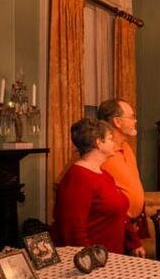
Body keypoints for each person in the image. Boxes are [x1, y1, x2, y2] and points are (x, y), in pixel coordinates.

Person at [53, 118, 129, 253]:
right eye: (110, 138)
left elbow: (120, 212)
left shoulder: (105, 175)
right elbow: (74, 229)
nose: (114, 143)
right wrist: (90, 258)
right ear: (99, 143)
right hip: (93, 259)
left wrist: (133, 242)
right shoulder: (78, 177)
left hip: (112, 255)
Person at [96, 98, 146, 256]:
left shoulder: (127, 147)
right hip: (112, 228)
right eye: (131, 117)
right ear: (117, 121)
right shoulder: (99, 152)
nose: (135, 121)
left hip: (131, 228)